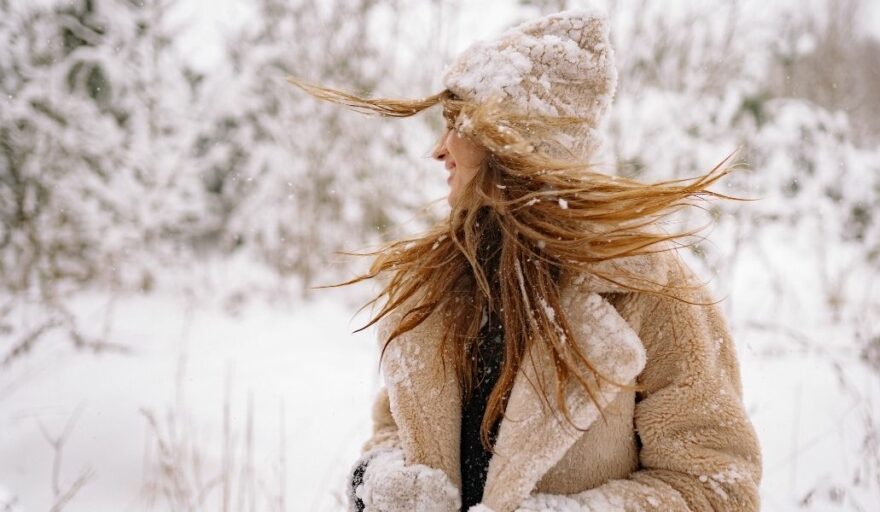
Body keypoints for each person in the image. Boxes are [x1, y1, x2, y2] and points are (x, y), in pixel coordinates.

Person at [287, 8, 762, 512]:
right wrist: (381, 482)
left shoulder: (649, 291)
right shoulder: (437, 285)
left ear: (520, 141)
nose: (439, 150)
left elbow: (718, 487)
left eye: (458, 126)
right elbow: (393, 431)